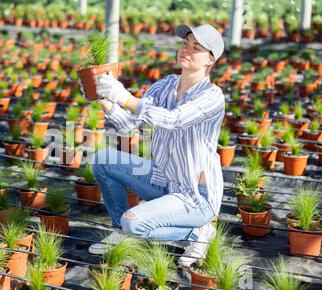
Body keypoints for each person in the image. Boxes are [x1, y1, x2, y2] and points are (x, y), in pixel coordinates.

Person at [81, 24, 226, 268]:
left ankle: (197, 234)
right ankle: (119, 230)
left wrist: (126, 98)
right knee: (103, 159)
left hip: (195, 196)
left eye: (196, 48)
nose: (186, 50)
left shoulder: (212, 96)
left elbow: (174, 120)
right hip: (163, 181)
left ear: (210, 59)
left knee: (134, 223)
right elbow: (129, 123)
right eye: (185, 44)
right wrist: (105, 99)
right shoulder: (166, 84)